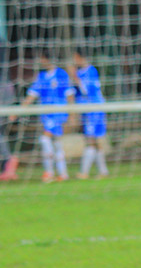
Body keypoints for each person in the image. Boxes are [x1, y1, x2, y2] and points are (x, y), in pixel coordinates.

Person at [22, 51, 75, 183]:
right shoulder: (41, 76)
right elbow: (32, 94)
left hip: (58, 112)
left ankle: (49, 172)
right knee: (57, 143)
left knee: (45, 139)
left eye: (42, 59)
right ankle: (63, 173)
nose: (40, 61)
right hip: (45, 113)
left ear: (46, 59)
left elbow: (69, 94)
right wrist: (18, 110)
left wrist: (72, 114)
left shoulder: (61, 74)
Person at [71, 48, 110, 179]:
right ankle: (103, 171)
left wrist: (75, 77)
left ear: (79, 57)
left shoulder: (90, 71)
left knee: (91, 139)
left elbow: (86, 91)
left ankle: (84, 172)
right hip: (87, 110)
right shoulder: (80, 72)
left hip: (94, 109)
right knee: (95, 141)